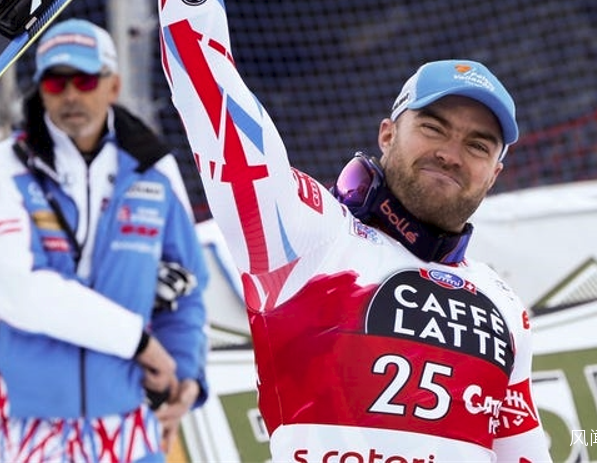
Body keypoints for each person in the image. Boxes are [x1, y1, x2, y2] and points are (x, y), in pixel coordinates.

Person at [158, 1, 552, 461]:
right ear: (387, 134)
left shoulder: (503, 304)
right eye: (432, 128)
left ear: (495, 174)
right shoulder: (312, 236)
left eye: (477, 146)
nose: (450, 154)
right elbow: (209, 88)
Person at [0, 18, 209, 462]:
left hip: (130, 425)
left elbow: (187, 286)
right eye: (56, 83)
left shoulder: (153, 169)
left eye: (85, 80)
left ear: (113, 86)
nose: (71, 95)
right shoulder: (7, 170)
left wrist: (185, 374)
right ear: (40, 91)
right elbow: (16, 290)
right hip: (30, 427)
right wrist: (140, 343)